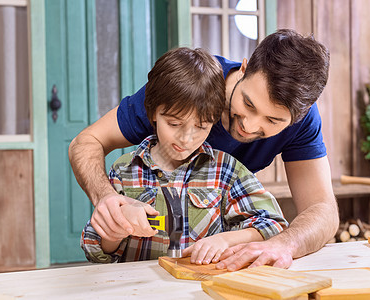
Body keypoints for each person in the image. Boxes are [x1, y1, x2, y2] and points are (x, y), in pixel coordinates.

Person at [69, 29, 339, 270]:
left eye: (272, 121)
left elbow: (323, 210)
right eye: (248, 104)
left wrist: (284, 244)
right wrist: (108, 201)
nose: (249, 125)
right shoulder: (189, 90)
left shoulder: (301, 122)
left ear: (298, 117)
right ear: (244, 69)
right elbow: (86, 142)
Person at [80, 47, 288, 264]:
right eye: (174, 124)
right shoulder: (125, 170)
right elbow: (95, 249)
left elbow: (274, 225)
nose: (186, 138)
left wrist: (226, 240)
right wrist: (118, 228)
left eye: (201, 126)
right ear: (152, 113)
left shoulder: (226, 171)